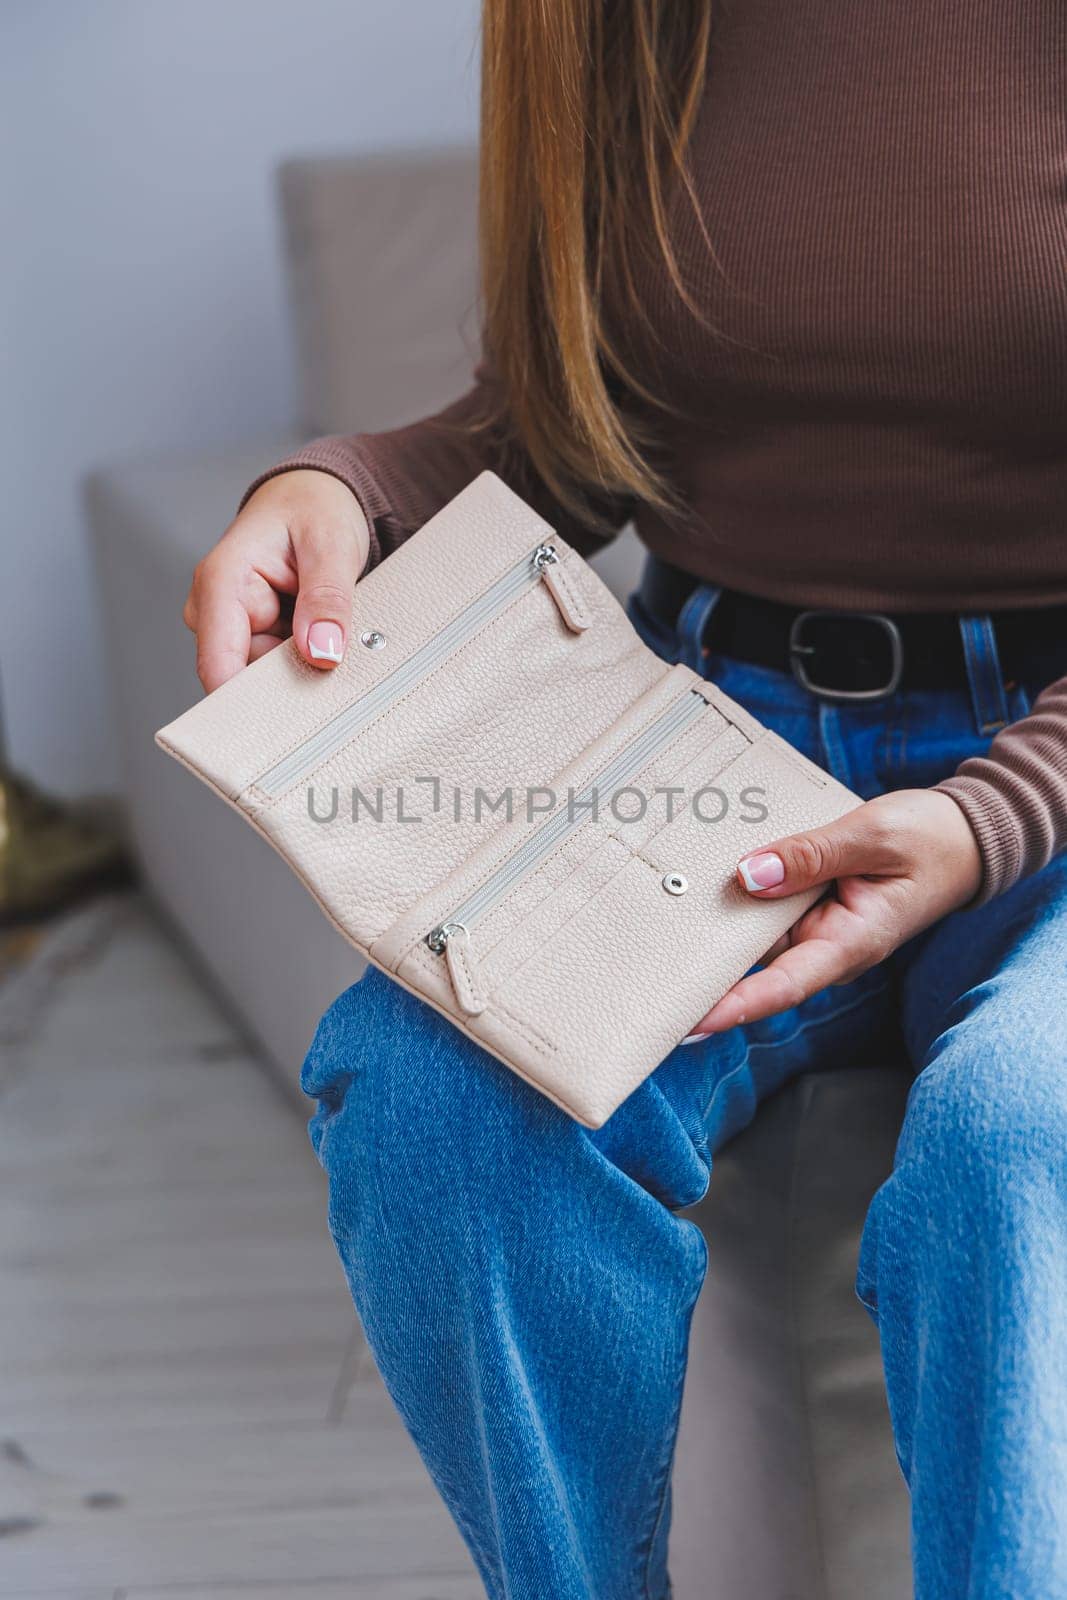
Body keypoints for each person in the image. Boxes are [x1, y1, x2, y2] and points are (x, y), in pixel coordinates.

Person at [182, 2, 1067, 1594]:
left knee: (1022, 1138)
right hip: (712, 741)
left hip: (1060, 755)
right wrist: (345, 490)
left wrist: (996, 810)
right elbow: (588, 429)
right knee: (437, 1103)